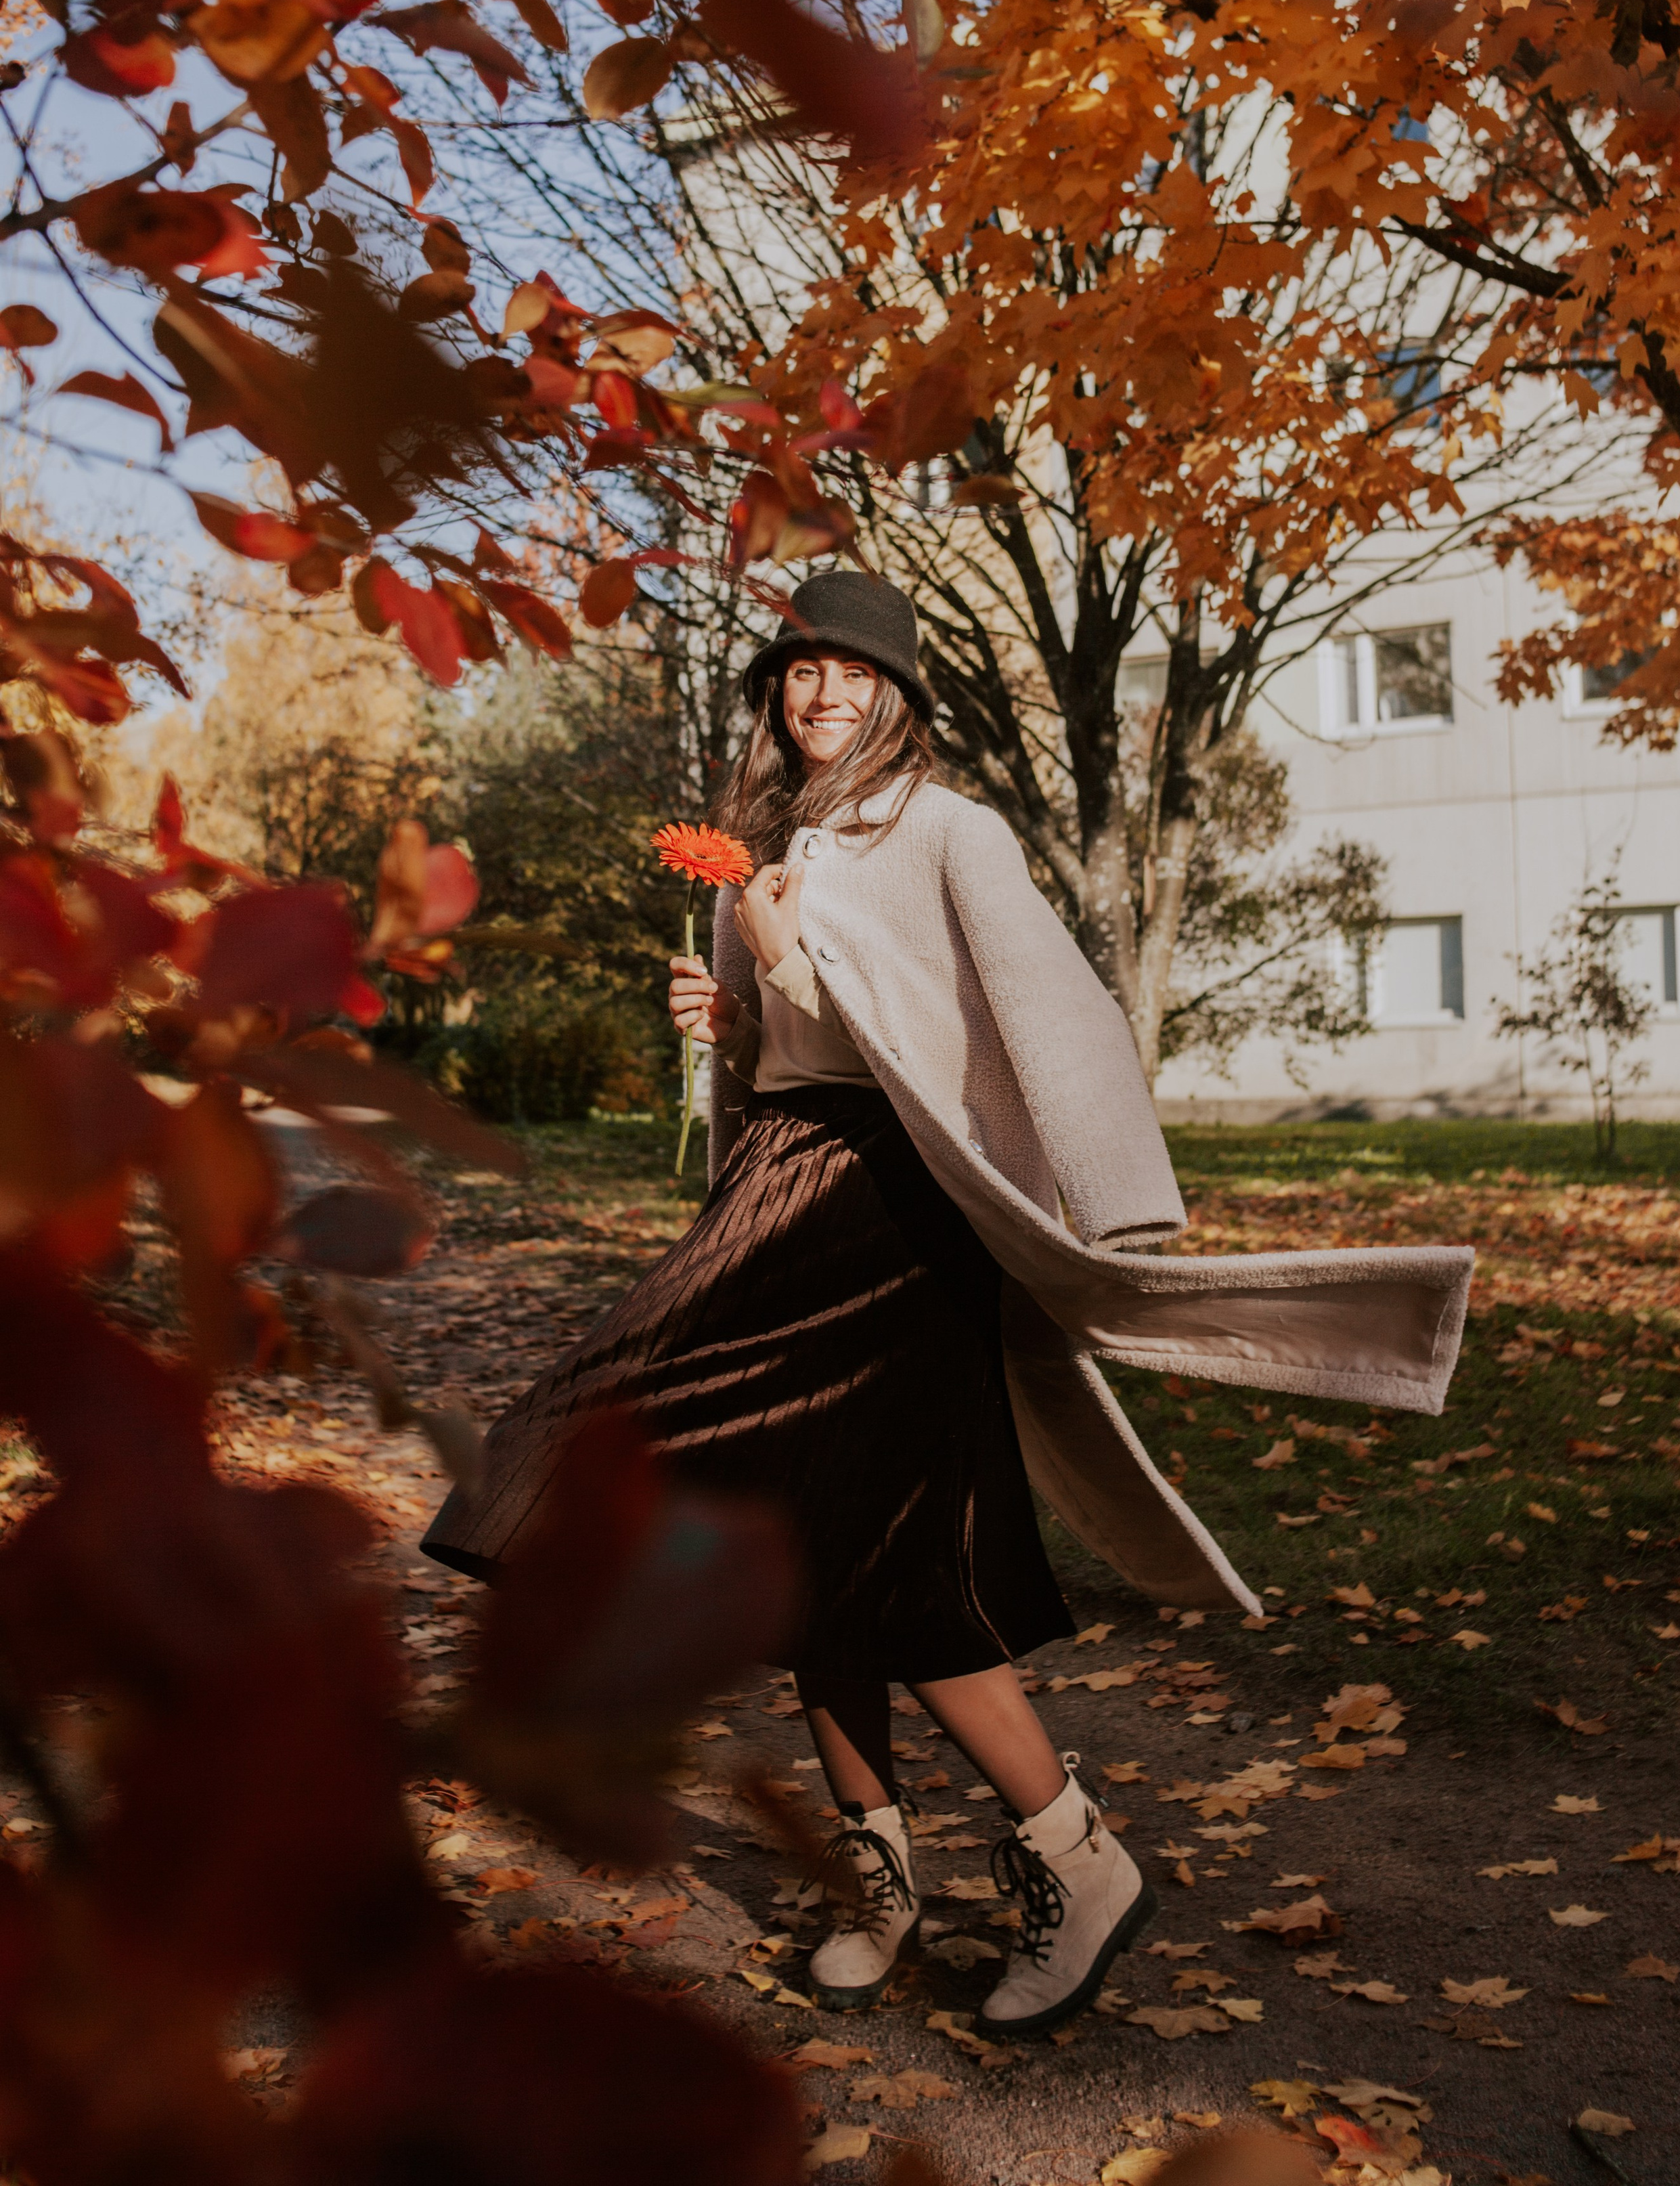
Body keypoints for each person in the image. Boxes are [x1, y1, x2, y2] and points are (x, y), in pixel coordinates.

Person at [423, 567, 1473, 2034]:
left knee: (881, 1558)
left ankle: (1075, 1859)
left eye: (850, 674)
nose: (822, 694)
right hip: (777, 1193)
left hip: (895, 1209)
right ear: (773, 691)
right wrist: (725, 1017)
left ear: (898, 694)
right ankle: (879, 1880)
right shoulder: (767, 846)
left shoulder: (947, 831)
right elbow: (784, 1055)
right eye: (798, 672)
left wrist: (1102, 1208)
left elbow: (1036, 1013)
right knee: (783, 1539)